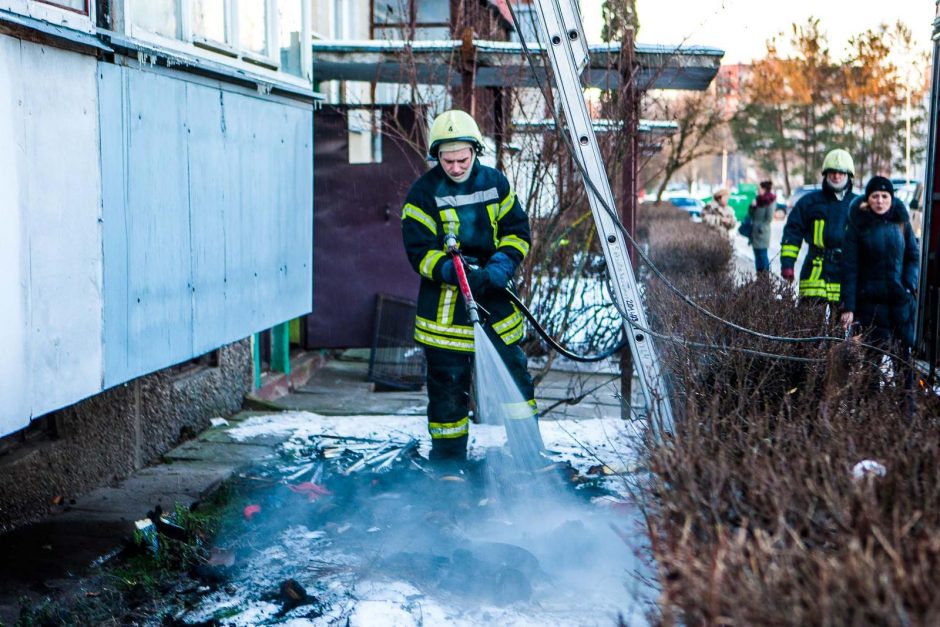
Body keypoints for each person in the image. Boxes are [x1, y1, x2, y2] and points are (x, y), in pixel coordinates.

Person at [400, 109, 540, 466]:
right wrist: (450, 270)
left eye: (462, 159)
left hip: (495, 305)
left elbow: (517, 233)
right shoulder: (422, 194)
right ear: (436, 156)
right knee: (447, 392)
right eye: (448, 161)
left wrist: (499, 268)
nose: (456, 168)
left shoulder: (496, 184)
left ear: (475, 151)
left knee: (516, 384)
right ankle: (448, 467)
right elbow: (419, 254)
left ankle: (529, 457)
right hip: (444, 317)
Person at [840, 176, 919, 386]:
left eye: (885, 196)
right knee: (870, 369)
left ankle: (907, 416)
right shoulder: (858, 226)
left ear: (891, 198)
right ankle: (872, 415)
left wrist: (909, 284)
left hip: (899, 305)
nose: (880, 201)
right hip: (870, 308)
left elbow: (913, 256)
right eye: (875, 196)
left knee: (904, 366)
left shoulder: (901, 223)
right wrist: (848, 307)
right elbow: (849, 268)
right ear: (868, 199)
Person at [780, 149, 858, 302]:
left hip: (844, 275)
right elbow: (793, 233)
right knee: (808, 324)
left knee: (840, 326)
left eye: (841, 173)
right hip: (814, 274)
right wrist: (787, 264)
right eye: (832, 172)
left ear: (849, 175)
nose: (836, 176)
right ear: (825, 174)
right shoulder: (809, 203)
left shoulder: (857, 205)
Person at [748, 180, 776, 273]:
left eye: (760, 188)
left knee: (762, 255)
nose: (758, 190)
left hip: (762, 232)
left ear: (765, 189)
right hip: (754, 231)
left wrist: (761, 228)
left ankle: (765, 277)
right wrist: (752, 206)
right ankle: (759, 277)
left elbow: (769, 218)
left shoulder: (770, 200)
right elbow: (751, 215)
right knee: (757, 255)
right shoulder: (757, 199)